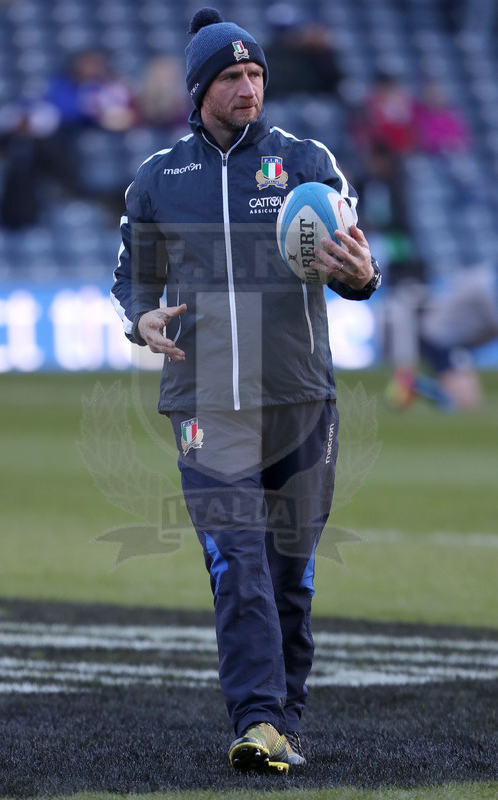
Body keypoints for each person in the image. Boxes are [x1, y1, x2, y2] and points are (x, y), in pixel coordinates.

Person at [111, 6, 381, 773]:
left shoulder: (307, 164)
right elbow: (131, 279)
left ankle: (281, 720)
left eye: (255, 73)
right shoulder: (159, 179)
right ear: (199, 88)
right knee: (238, 560)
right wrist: (141, 318)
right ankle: (257, 719)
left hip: (299, 397)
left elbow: (356, 262)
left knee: (290, 568)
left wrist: (363, 278)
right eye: (230, 77)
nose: (247, 88)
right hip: (204, 402)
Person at [386, 262, 498, 411]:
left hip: (456, 342)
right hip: (440, 339)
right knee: (467, 404)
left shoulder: (486, 278)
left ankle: (422, 386)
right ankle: (413, 384)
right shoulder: (485, 284)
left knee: (471, 402)